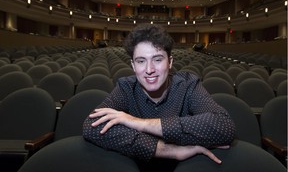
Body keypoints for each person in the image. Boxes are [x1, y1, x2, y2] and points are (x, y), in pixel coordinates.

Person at [83, 23, 235, 172]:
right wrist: (170, 150)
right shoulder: (126, 87)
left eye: (157, 59)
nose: (149, 70)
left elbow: (224, 126)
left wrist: (136, 122)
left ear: (170, 62)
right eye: (141, 61)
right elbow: (91, 126)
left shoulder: (188, 84)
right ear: (133, 65)